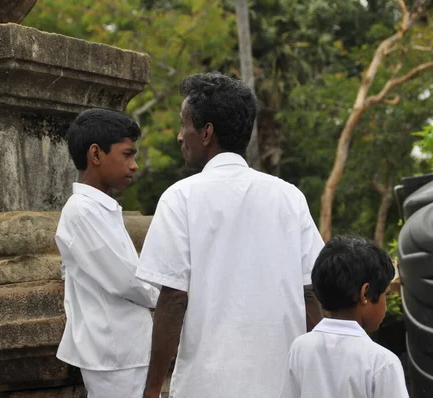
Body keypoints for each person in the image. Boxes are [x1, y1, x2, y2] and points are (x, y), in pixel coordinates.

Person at [135, 72, 325, 398]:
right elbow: (311, 294)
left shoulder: (180, 198)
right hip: (282, 385)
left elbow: (173, 299)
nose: (181, 136)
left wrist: (152, 389)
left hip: (207, 386)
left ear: (206, 132)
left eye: (185, 125)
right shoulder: (289, 197)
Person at [55, 108, 160, 397]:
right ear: (96, 155)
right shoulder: (82, 211)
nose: (134, 165)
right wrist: (172, 295)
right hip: (113, 353)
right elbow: (126, 280)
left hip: (124, 350)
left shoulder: (99, 209)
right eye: (127, 154)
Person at [280, 236, 409, 398]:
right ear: (365, 293)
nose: (386, 304)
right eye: (386, 295)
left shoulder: (300, 348)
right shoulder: (382, 363)